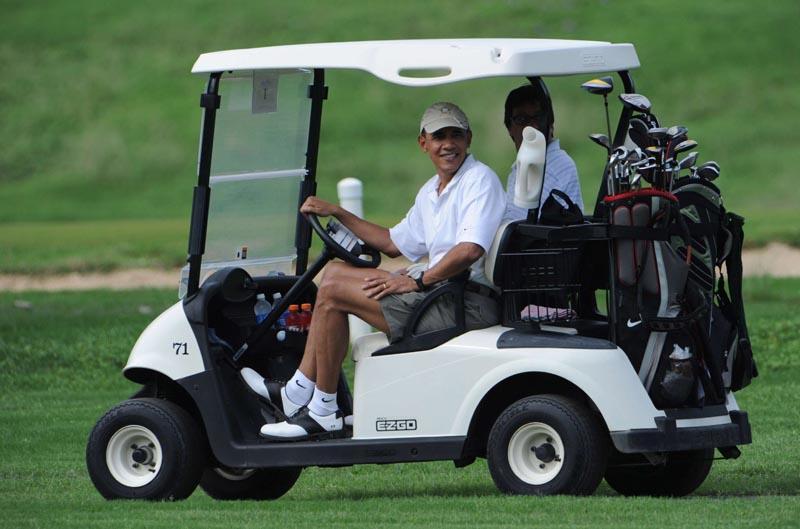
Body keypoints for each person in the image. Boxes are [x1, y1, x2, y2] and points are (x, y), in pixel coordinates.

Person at [242, 102, 507, 440]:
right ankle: (300, 393)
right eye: (439, 136)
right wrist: (337, 212)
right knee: (335, 276)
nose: (448, 144)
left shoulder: (478, 181)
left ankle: (319, 407)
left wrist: (418, 281)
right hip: (442, 294)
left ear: (469, 139)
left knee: (335, 291)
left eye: (456, 135)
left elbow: (470, 249)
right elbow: (393, 243)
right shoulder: (433, 191)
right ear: (423, 143)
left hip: (465, 304)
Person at [503, 82, 583, 221]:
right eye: (522, 120)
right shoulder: (526, 162)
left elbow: (517, 225)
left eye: (538, 118)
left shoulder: (554, 166)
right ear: (509, 127)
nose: (531, 127)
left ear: (550, 124)